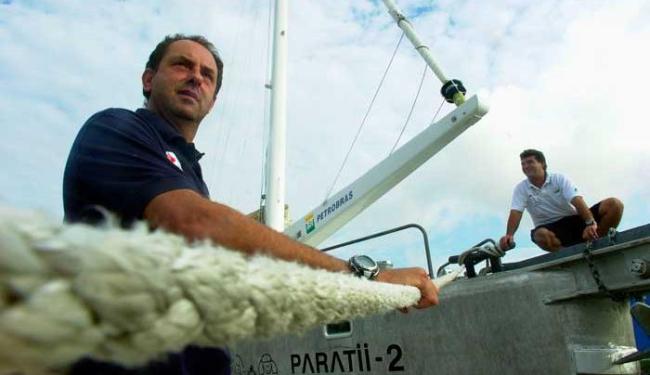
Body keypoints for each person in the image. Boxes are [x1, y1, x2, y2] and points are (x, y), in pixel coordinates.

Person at [63, 34, 439, 374]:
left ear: (213, 101)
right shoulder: (115, 130)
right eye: (182, 65)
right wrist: (363, 275)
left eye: (207, 75)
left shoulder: (189, 172)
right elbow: (194, 224)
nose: (196, 77)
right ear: (148, 79)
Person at [499, 149, 624, 252]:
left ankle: (597, 243)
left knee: (614, 205)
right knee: (539, 235)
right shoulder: (521, 189)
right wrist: (509, 235)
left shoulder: (558, 179)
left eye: (530, 162)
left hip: (574, 221)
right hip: (550, 228)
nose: (525, 166)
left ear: (542, 163)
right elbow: (516, 212)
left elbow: (576, 199)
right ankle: (567, 256)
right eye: (523, 163)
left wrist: (590, 223)